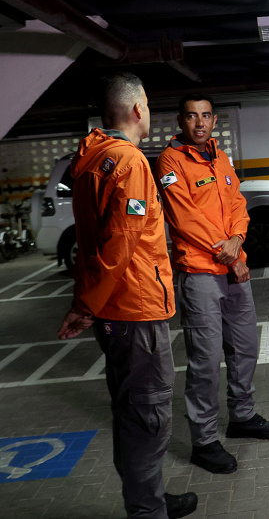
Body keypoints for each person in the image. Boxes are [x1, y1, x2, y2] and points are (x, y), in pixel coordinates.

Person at [56, 72, 197, 519]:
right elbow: (119, 244)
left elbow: (91, 245)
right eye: (149, 105)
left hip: (116, 314)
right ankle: (146, 511)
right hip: (136, 309)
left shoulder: (90, 160)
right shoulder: (130, 162)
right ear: (138, 109)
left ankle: (148, 498)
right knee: (148, 416)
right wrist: (84, 305)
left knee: (130, 410)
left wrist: (89, 304)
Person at [154, 93, 269, 475]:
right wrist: (226, 251)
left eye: (206, 116)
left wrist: (238, 242)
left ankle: (242, 416)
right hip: (200, 274)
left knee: (245, 348)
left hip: (234, 266)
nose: (199, 123)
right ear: (180, 121)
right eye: (192, 116)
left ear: (214, 120)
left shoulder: (220, 157)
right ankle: (204, 441)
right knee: (206, 361)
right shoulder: (171, 160)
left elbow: (238, 206)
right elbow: (183, 218)